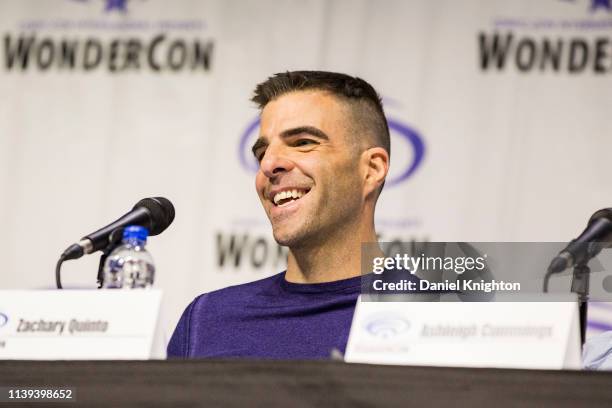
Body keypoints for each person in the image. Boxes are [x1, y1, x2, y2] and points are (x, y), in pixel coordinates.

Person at [167, 71, 390, 359]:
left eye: (303, 142)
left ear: (371, 170)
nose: (269, 164)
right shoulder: (207, 320)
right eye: (262, 153)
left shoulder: (440, 318)